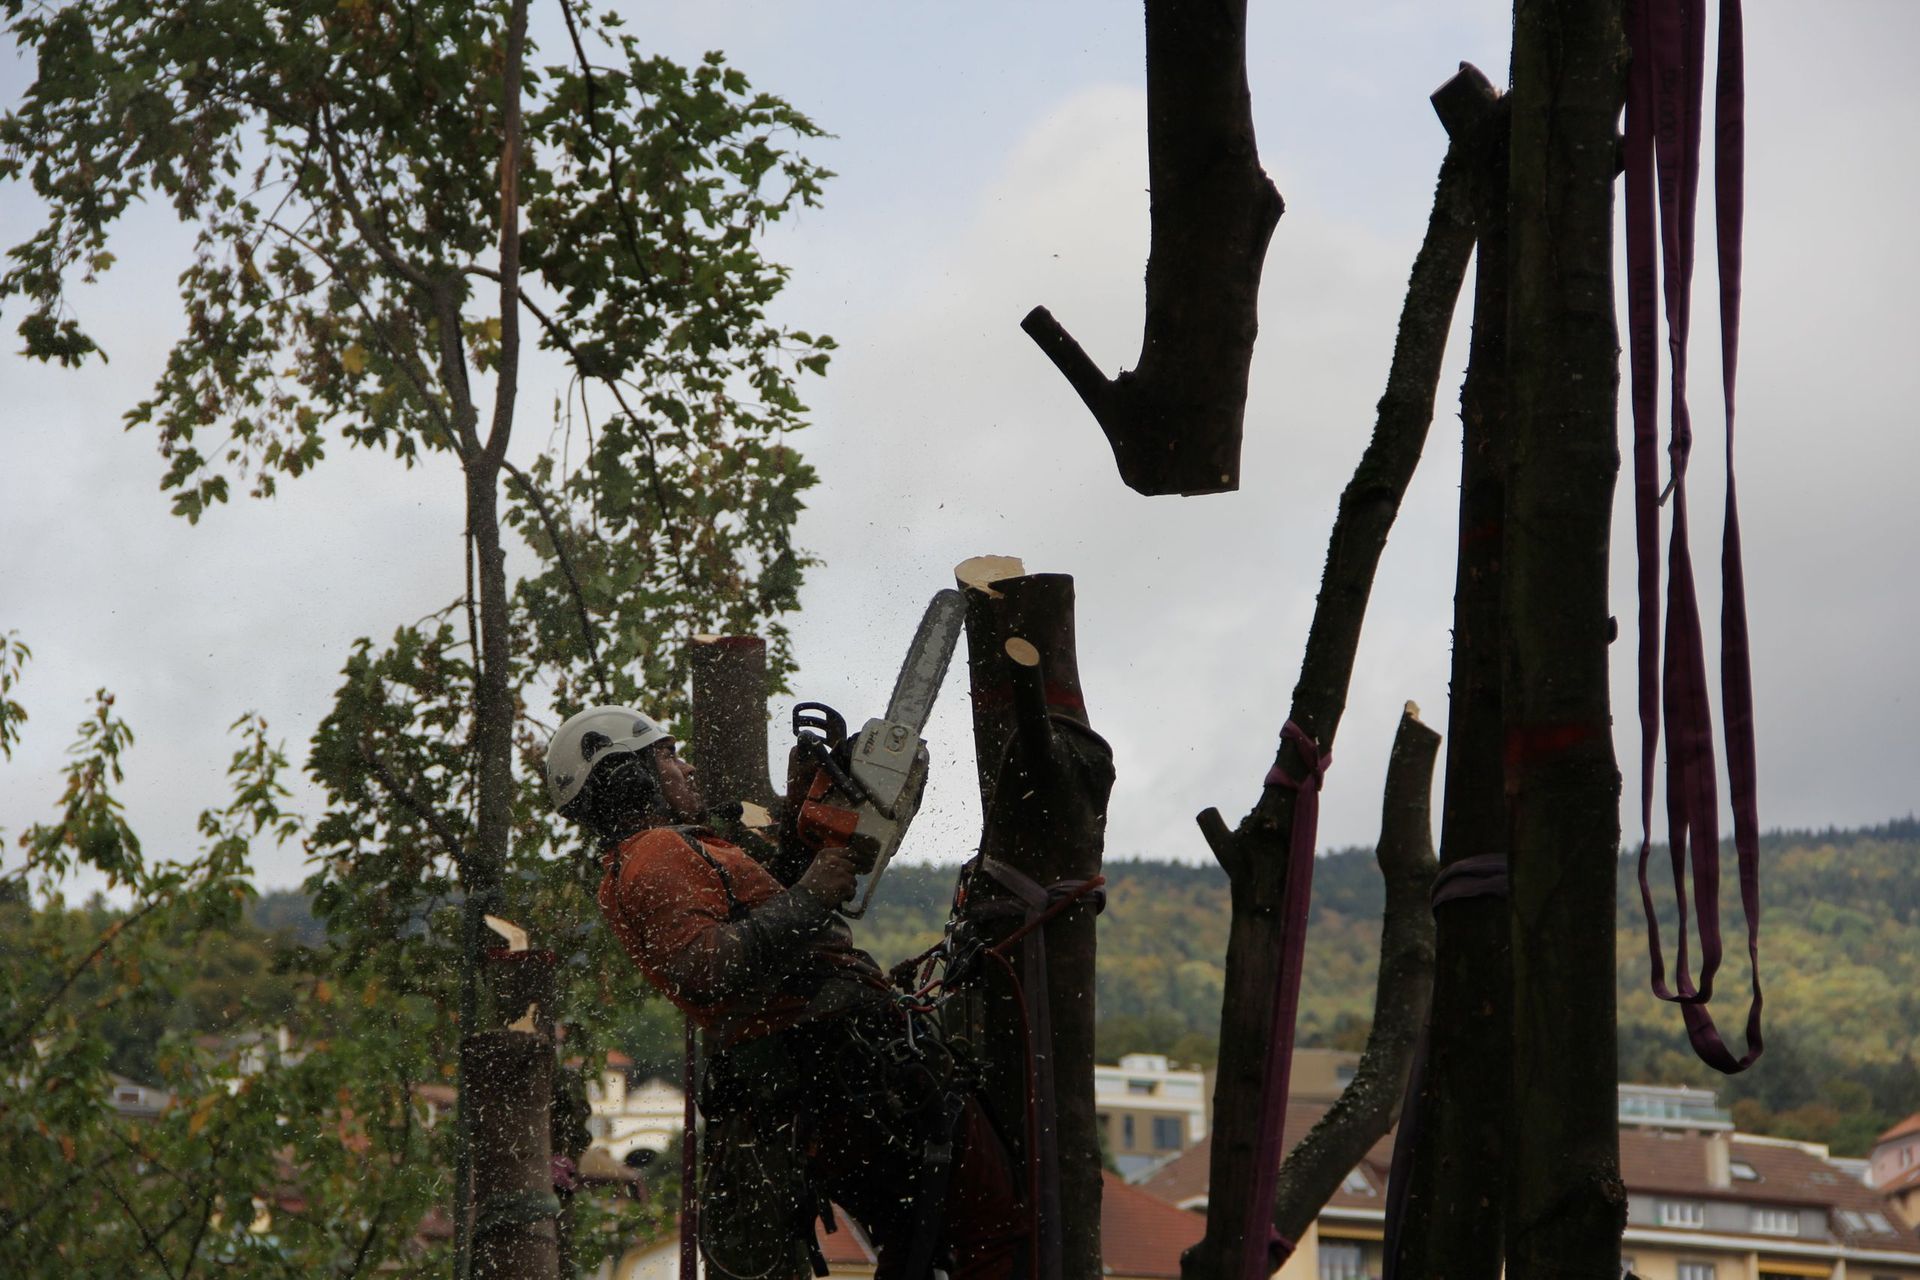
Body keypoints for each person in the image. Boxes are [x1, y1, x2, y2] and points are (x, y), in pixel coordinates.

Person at [545, 705, 1024, 1280]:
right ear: (627, 776)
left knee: (921, 1239)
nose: (688, 768)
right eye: (668, 755)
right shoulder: (653, 855)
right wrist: (811, 895)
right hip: (834, 1069)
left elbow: (763, 922)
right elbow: (707, 967)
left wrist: (803, 821)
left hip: (828, 1073)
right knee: (988, 1223)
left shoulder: (666, 852)